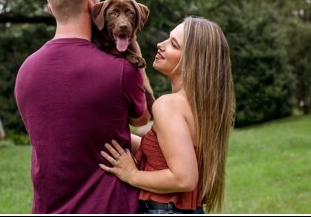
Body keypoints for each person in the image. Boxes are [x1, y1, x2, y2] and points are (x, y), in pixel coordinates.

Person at [15, 0, 151, 214]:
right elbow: (142, 118)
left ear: (50, 8)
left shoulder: (25, 71)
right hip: (112, 206)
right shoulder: (122, 70)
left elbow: (58, 136)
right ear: (92, 3)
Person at [99, 17, 235, 214]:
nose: (160, 45)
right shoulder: (203, 108)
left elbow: (184, 178)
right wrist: (112, 135)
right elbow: (163, 151)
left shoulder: (169, 105)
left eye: (173, 44)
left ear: (192, 59)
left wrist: (131, 175)